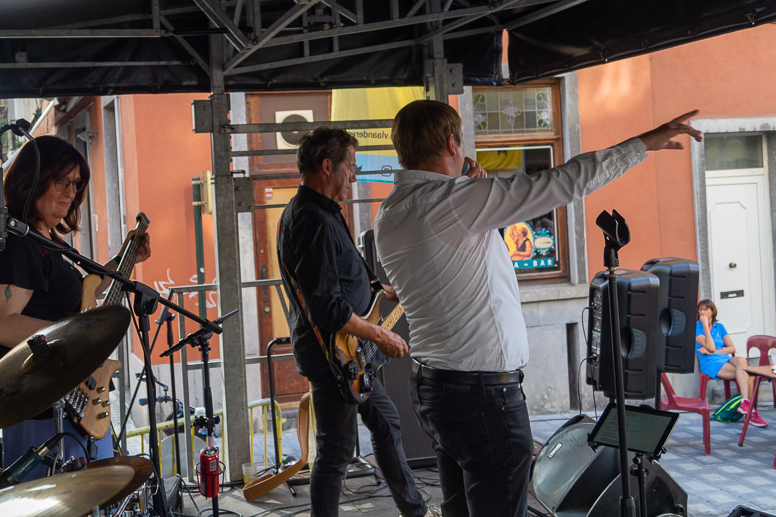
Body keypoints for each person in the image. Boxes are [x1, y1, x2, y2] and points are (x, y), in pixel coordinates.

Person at [374, 100, 702, 516]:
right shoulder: (458, 202)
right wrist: (643, 143)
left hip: (433, 386)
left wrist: (470, 188)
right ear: (453, 143)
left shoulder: (391, 212)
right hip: (481, 396)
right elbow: (564, 182)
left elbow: (450, 251)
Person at [276, 127, 432, 517]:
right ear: (326, 166)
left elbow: (341, 273)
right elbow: (327, 307)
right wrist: (380, 335)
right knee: (336, 452)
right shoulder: (311, 220)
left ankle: (414, 511)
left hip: (349, 355)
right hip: (336, 358)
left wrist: (380, 288)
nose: (354, 176)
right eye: (351, 166)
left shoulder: (320, 211)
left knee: (386, 423)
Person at [0, 135, 151, 475]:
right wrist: (82, 340)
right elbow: (0, 325)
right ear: (32, 180)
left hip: (71, 402)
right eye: (61, 181)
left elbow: (83, 295)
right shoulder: (13, 244)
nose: (71, 191)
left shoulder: (43, 241)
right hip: (41, 409)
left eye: (76, 183)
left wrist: (125, 259)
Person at [696, 299, 766, 427]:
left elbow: (732, 348)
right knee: (749, 375)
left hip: (724, 358)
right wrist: (705, 326)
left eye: (705, 309)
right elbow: (710, 346)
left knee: (741, 360)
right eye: (700, 309)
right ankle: (751, 413)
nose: (702, 312)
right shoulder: (697, 327)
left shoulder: (720, 327)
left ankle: (745, 403)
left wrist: (715, 351)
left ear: (712, 311)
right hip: (710, 363)